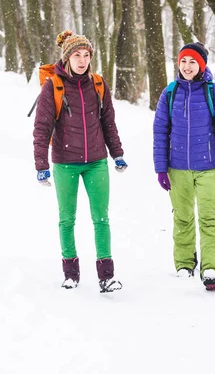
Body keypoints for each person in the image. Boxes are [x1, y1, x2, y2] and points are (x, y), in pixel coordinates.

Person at [33, 30, 128, 293]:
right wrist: (41, 164)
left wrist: (117, 153)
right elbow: (42, 127)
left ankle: (106, 275)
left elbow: (108, 121)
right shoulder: (53, 86)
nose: (82, 60)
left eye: (86, 55)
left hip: (96, 161)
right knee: (67, 219)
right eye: (77, 55)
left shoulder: (98, 83)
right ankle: (71, 273)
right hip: (65, 162)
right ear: (67, 57)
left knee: (101, 218)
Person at [153, 42, 215, 291]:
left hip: (209, 167)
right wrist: (161, 168)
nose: (187, 66)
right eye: (183, 61)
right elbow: (160, 132)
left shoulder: (214, 93)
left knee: (209, 217)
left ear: (201, 65)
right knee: (182, 217)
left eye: (192, 62)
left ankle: (211, 267)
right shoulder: (170, 94)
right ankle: (184, 264)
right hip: (177, 167)